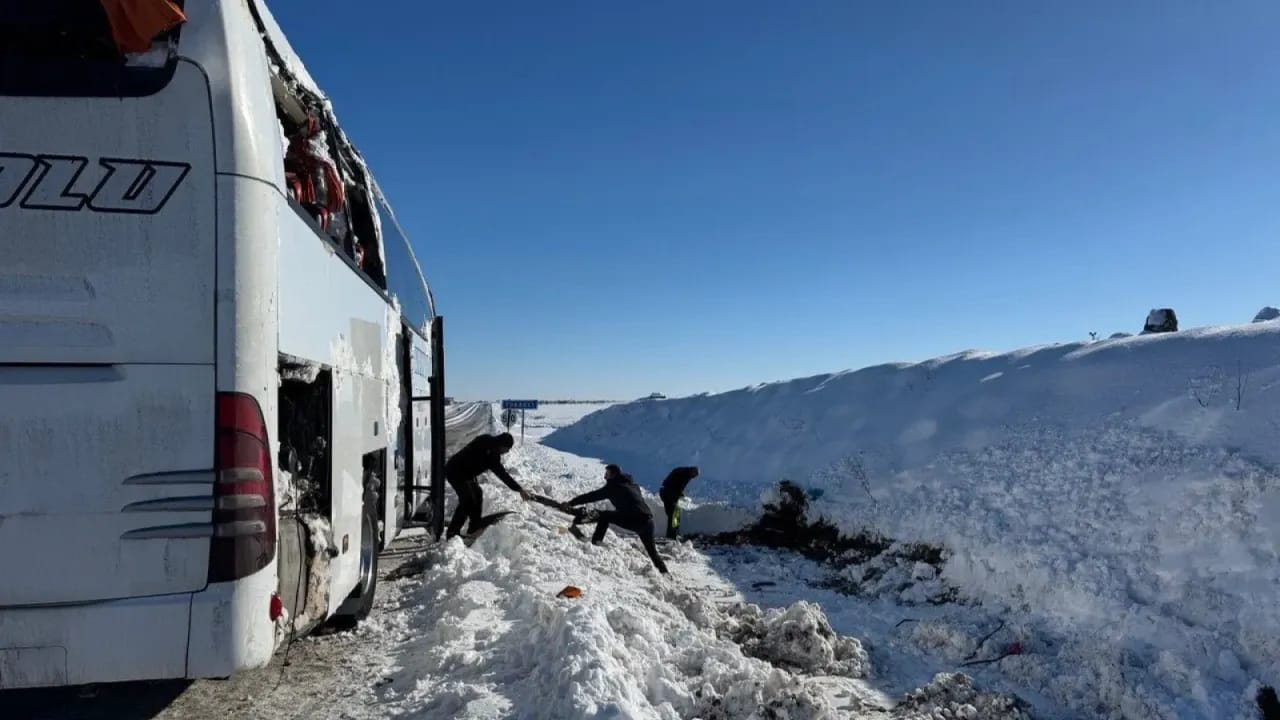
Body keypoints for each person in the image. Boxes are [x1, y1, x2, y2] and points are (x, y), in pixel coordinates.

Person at [566, 464, 669, 574]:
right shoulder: (632, 484)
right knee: (653, 552)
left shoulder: (613, 487)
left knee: (604, 515)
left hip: (635, 520)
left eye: (607, 474)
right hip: (648, 522)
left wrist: (571, 503)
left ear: (614, 475)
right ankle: (665, 574)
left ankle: (595, 540)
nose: (605, 477)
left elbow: (592, 496)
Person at [443, 432, 528, 538]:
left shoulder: (494, 457)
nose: (507, 451)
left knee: (478, 493)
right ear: (501, 444)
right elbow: (471, 453)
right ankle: (452, 532)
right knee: (467, 499)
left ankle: (474, 525)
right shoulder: (485, 441)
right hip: (454, 470)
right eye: (507, 448)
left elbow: (503, 475)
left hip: (467, 475)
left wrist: (519, 489)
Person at [658, 466, 699, 539]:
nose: (693, 478)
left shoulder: (683, 471)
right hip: (669, 493)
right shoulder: (685, 474)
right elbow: (678, 485)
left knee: (673, 514)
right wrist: (680, 493)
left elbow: (677, 484)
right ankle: (672, 535)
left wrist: (680, 494)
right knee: (674, 514)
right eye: (694, 476)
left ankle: (673, 534)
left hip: (665, 492)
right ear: (693, 472)